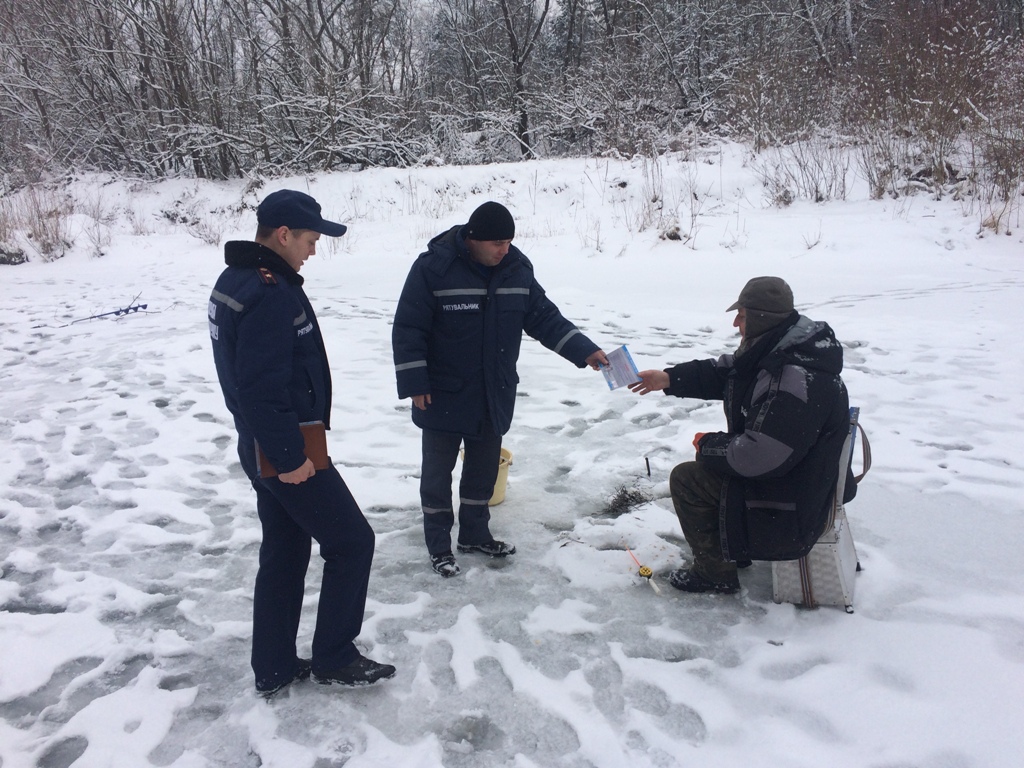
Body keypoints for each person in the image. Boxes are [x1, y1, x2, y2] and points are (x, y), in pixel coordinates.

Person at [208, 189, 395, 695]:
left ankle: (273, 666)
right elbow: (260, 388)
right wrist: (290, 458)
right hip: (283, 448)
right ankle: (334, 656)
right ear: (284, 235)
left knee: (286, 551)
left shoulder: (238, 278)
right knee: (352, 542)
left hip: (258, 445)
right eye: (311, 239)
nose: (314, 249)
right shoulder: (268, 292)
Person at [392, 201, 608, 577]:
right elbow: (409, 327)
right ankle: (439, 546)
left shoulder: (516, 271)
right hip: (441, 391)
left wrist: (585, 350)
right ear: (473, 239)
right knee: (437, 475)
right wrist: (414, 381)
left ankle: (475, 534)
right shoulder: (434, 268)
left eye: (508, 241)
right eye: (497, 242)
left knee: (483, 471)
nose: (504, 249)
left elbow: (545, 318)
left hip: (494, 390)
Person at [628, 276, 855, 594]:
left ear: (762, 319)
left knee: (688, 478)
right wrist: (669, 378)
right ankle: (732, 546)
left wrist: (707, 445)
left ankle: (714, 574)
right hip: (800, 478)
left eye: (743, 315)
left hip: (793, 504)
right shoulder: (783, 350)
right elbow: (727, 372)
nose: (735, 322)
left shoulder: (794, 379)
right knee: (715, 467)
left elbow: (757, 457)